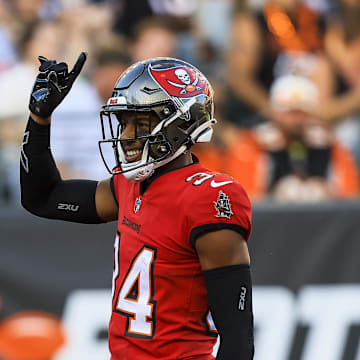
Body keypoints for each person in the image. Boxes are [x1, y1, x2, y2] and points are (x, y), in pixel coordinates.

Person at [20, 53, 254, 359]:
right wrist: (39, 119)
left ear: (180, 122)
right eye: (124, 122)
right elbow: (43, 199)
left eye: (140, 123)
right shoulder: (129, 185)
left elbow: (237, 335)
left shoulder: (207, 197)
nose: (127, 136)